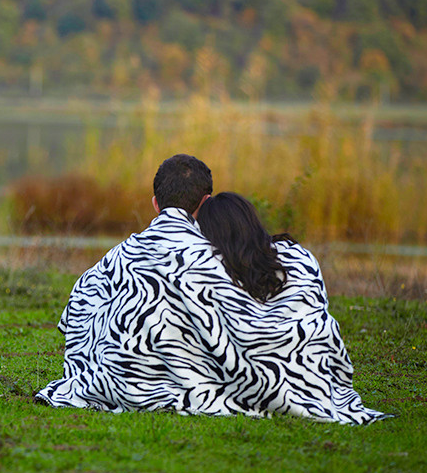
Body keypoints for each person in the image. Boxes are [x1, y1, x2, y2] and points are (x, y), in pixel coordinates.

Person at [35, 158, 389, 425]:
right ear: (206, 202)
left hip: (110, 381)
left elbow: (77, 311)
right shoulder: (209, 261)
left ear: (155, 204)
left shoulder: (117, 257)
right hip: (201, 382)